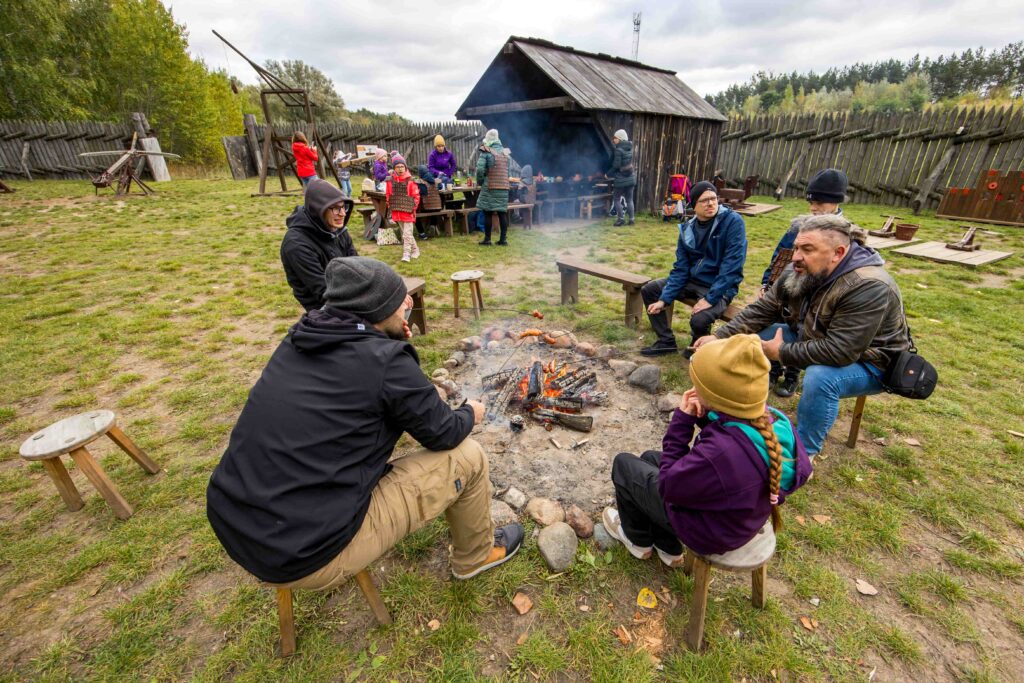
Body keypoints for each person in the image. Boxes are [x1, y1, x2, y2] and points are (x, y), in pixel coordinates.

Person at [207, 257, 525, 590]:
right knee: (469, 456)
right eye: (399, 299)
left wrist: (389, 338)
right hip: (304, 555)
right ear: (376, 310)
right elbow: (444, 432)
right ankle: (476, 556)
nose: (409, 302)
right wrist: (470, 412)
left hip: (237, 522)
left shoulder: (300, 338)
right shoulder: (386, 362)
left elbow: (371, 376)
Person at [695, 214, 910, 458]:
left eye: (807, 249)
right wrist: (721, 336)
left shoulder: (869, 285)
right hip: (814, 337)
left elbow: (841, 351)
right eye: (796, 247)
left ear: (838, 253)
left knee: (821, 377)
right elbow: (764, 309)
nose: (796, 256)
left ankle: (803, 455)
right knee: (752, 339)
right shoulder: (799, 268)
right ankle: (741, 415)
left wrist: (781, 352)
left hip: (870, 361)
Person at [602, 334, 812, 567]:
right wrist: (704, 416)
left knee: (624, 464)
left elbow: (668, 487)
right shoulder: (774, 420)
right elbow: (731, 437)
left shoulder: (720, 453)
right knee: (650, 458)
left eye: (698, 385)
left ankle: (637, 540)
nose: (693, 388)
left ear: (715, 396)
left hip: (709, 532)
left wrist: (682, 421)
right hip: (740, 518)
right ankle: (667, 546)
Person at [759, 168, 850, 397]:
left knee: (803, 333)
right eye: (811, 202)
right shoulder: (801, 226)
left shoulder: (845, 233)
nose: (813, 208)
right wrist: (766, 283)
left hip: (814, 299)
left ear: (836, 202)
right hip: (788, 290)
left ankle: (791, 376)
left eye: (819, 202)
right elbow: (779, 256)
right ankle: (772, 370)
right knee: (777, 328)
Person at [641, 181, 747, 358]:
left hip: (720, 285)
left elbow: (732, 266)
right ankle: (666, 342)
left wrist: (710, 298)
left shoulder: (732, 222)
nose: (710, 203)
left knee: (700, 320)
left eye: (713, 198)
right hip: (692, 280)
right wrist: (664, 299)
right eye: (704, 200)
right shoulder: (687, 229)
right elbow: (681, 268)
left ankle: (698, 348)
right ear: (693, 205)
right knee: (650, 290)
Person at [280, 179, 356, 311]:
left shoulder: (336, 229)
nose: (343, 213)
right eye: (336, 208)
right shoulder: (296, 244)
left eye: (344, 206)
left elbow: (357, 265)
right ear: (319, 209)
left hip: (349, 291)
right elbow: (323, 290)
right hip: (323, 307)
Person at [475, 129, 510, 246]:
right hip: (503, 187)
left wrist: (480, 182)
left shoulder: (486, 151)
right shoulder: (505, 152)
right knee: (502, 213)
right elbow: (508, 171)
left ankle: (487, 239)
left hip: (490, 186)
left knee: (488, 213)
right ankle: (503, 240)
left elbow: (480, 170)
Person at [386, 155, 420, 262]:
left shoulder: (410, 180)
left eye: (402, 166)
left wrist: (413, 208)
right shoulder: (390, 181)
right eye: (398, 167)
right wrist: (390, 206)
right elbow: (388, 195)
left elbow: (416, 196)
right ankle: (416, 250)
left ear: (405, 167)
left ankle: (406, 254)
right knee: (406, 234)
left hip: (408, 210)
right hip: (397, 210)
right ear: (394, 168)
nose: (400, 169)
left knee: (406, 234)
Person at [606, 129, 636, 226]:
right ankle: (631, 220)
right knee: (629, 199)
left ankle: (621, 220)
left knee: (616, 198)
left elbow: (616, 166)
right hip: (630, 177)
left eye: (615, 138)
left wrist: (607, 174)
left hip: (621, 178)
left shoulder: (618, 150)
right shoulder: (629, 148)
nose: (613, 140)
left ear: (620, 139)